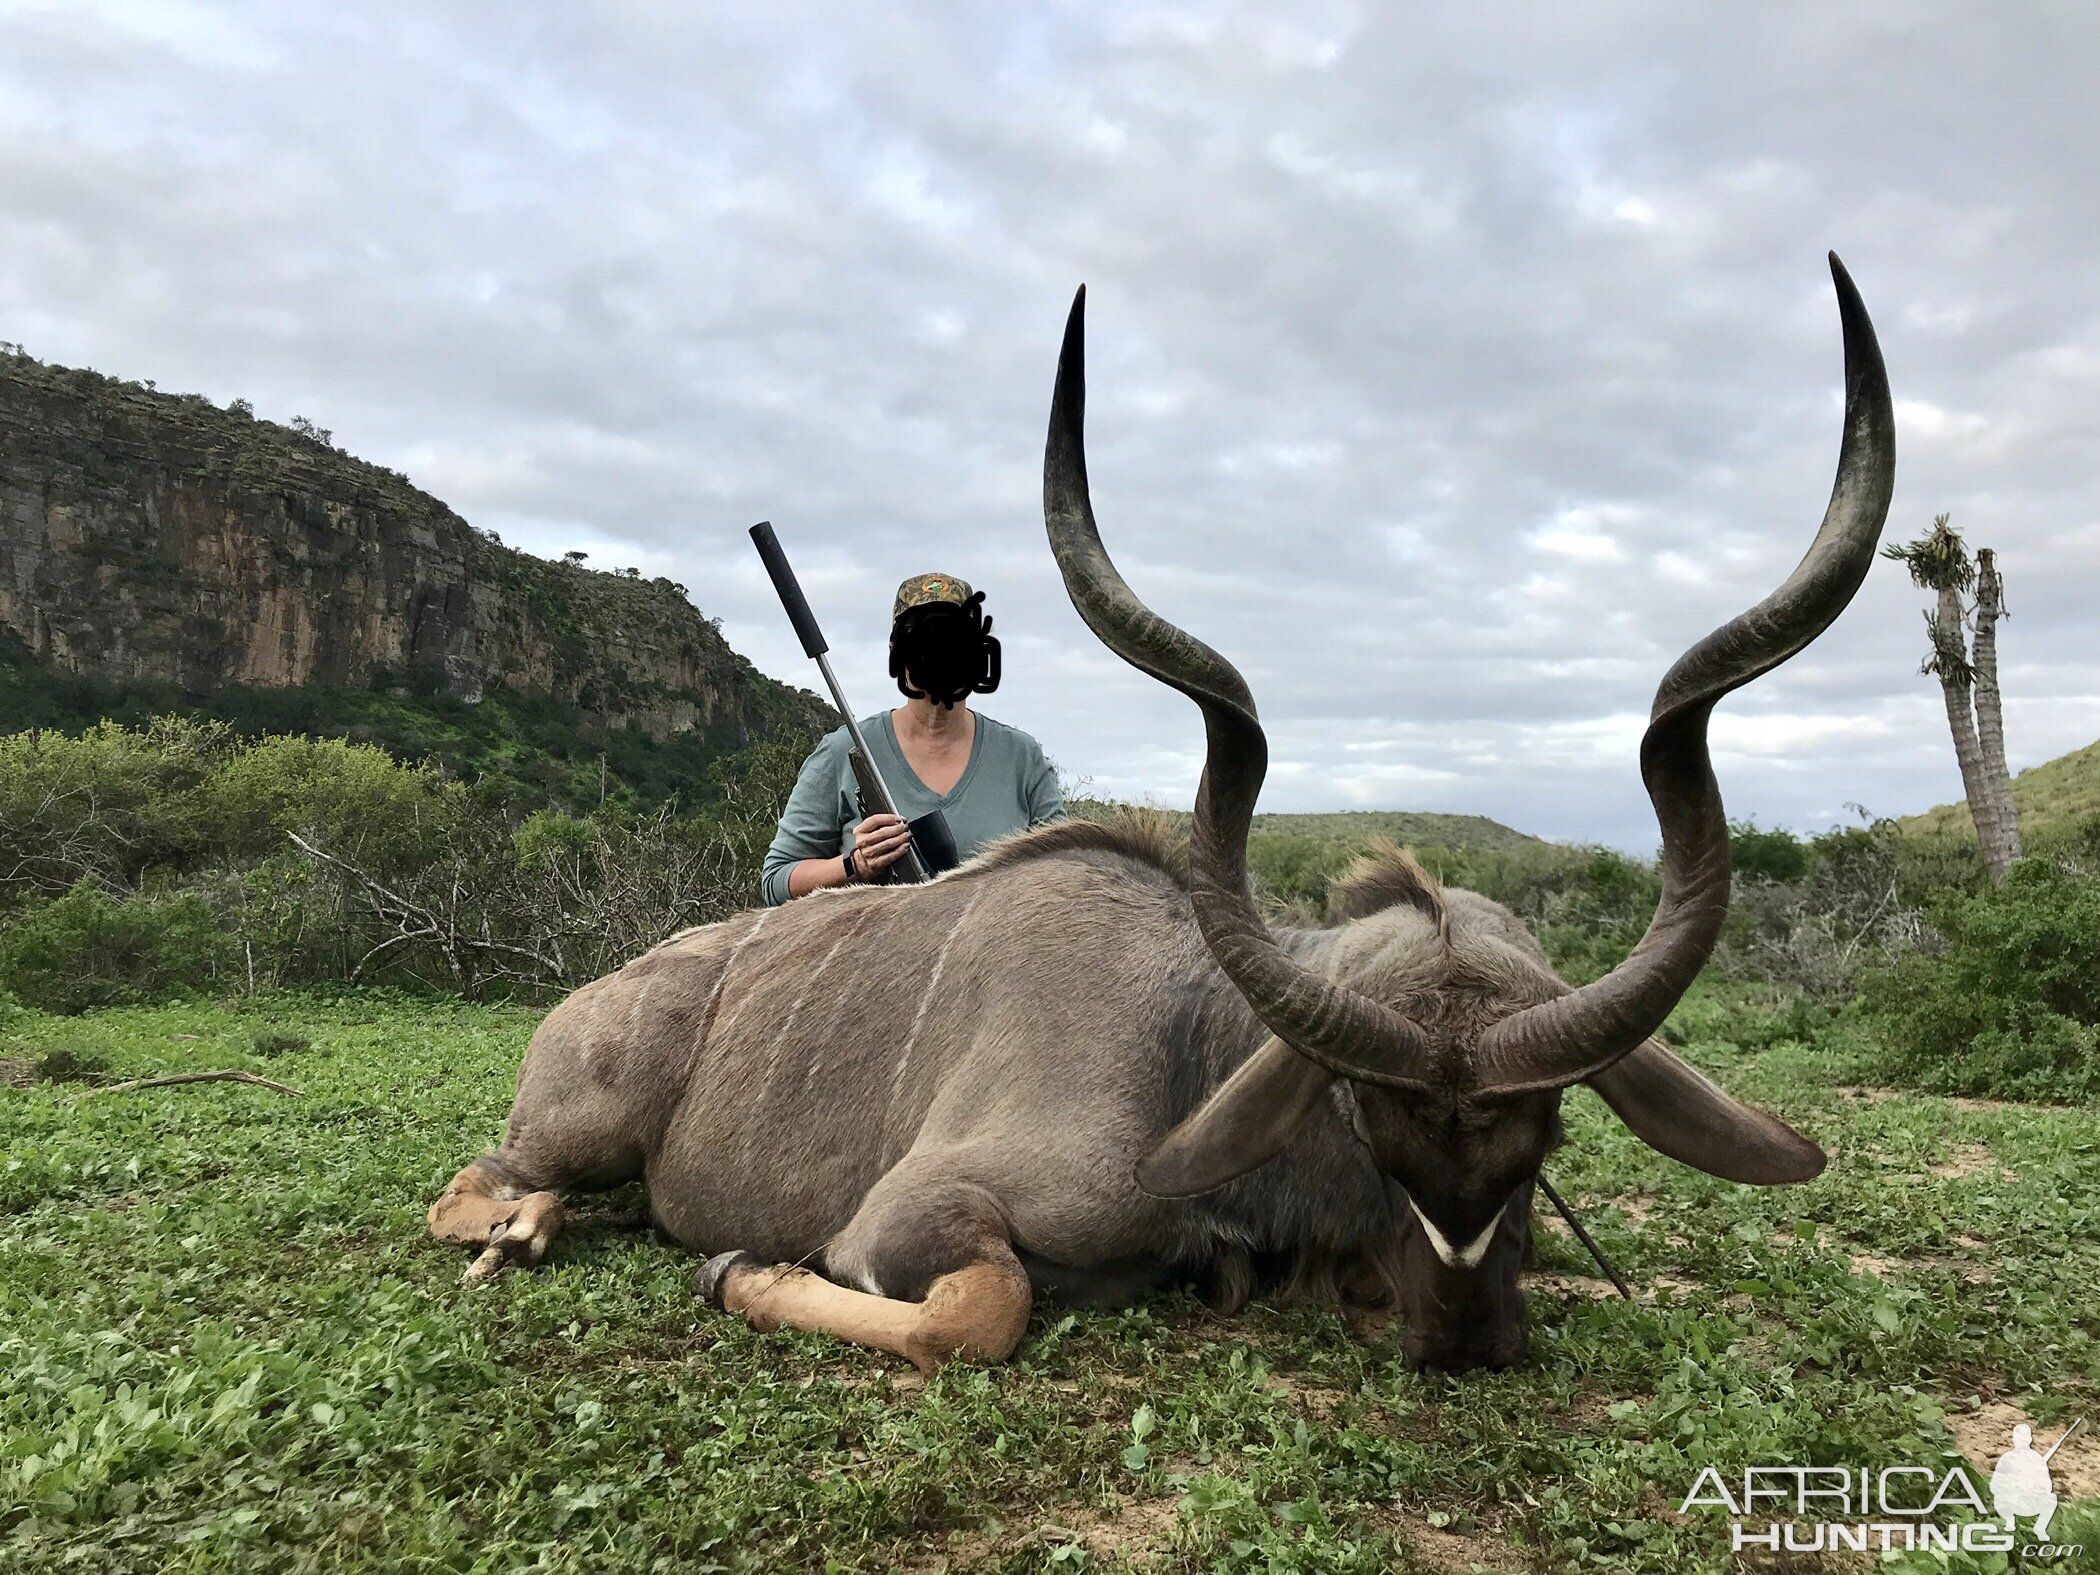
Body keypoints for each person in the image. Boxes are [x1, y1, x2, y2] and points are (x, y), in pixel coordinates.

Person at [760, 571, 1065, 904]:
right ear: (896, 650)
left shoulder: (1022, 758)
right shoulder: (841, 752)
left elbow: (1070, 874)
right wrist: (855, 865)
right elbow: (776, 882)